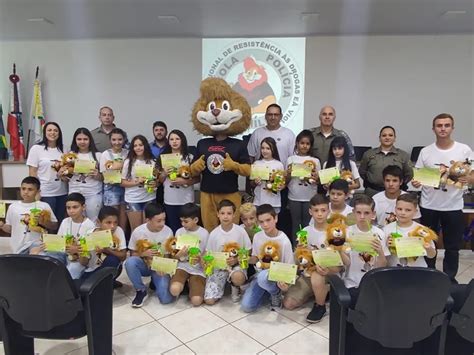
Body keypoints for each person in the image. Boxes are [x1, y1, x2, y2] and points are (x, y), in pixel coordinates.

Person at [412, 113, 473, 281]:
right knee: (427, 243)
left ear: (452, 128)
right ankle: (428, 274)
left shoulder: (464, 150)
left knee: (453, 246)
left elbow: (472, 175)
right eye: (439, 125)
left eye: (447, 125)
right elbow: (417, 177)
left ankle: (449, 277)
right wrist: (417, 182)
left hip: (453, 206)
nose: (443, 128)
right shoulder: (426, 151)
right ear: (433, 129)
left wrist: (468, 178)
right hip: (429, 205)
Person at [284, 194, 339, 323]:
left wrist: (329, 271)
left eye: (323, 210)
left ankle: (320, 306)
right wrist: (299, 251)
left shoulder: (335, 232)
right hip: (308, 273)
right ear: (310, 211)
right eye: (316, 210)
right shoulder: (305, 231)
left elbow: (339, 265)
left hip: (329, 272)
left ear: (328, 211)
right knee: (288, 304)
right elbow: (298, 261)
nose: (319, 214)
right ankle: (319, 291)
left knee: (317, 274)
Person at [240, 204, 294, 312]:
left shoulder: (284, 241)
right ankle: (266, 290)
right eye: (261, 222)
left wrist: (286, 285)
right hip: (260, 273)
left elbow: (290, 266)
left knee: (262, 278)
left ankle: (275, 293)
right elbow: (256, 258)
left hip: (277, 276)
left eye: (268, 220)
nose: (265, 224)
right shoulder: (257, 236)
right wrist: (246, 259)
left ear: (276, 218)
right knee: (247, 307)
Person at [341, 195, 389, 305]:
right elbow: (346, 263)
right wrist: (340, 250)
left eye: (366, 213)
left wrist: (380, 251)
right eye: (358, 213)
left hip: (373, 283)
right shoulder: (347, 233)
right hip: (352, 283)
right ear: (353, 212)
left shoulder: (380, 234)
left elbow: (382, 265)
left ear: (373, 214)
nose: (362, 217)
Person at [125, 203, 174, 307]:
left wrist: (162, 268)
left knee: (166, 299)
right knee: (130, 263)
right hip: (144, 264)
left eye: (164, 219)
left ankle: (155, 281)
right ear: (148, 220)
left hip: (159, 267)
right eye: (158, 221)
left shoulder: (168, 231)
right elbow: (132, 254)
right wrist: (143, 254)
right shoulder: (138, 232)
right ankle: (140, 290)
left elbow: (168, 256)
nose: (162, 223)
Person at [204, 200, 251, 304]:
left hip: (236, 265)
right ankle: (220, 287)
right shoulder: (214, 234)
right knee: (209, 301)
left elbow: (247, 252)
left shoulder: (240, 231)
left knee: (238, 277)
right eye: (222, 213)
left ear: (234, 215)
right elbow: (208, 255)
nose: (225, 216)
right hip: (219, 267)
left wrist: (236, 260)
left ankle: (236, 286)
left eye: (229, 213)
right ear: (218, 214)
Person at [0, 177, 59, 258]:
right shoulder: (13, 207)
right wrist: (2, 225)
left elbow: (55, 226)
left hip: (38, 246)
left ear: (38, 191)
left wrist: (43, 222)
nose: (26, 192)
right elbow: (10, 229)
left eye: (30, 189)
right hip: (18, 247)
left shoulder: (43, 206)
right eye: (23, 189)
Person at [158, 130, 199, 233]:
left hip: (186, 199)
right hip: (170, 199)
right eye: (171, 139)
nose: (174, 142)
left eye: (177, 139)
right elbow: (159, 181)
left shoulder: (190, 157)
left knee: (188, 228)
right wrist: (164, 174)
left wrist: (184, 181)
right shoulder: (163, 157)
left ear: (182, 140)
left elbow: (198, 178)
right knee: (173, 228)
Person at [27, 122, 68, 224]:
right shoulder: (36, 148)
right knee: (46, 223)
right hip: (45, 192)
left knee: (58, 223)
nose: (52, 133)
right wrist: (36, 192)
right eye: (49, 130)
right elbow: (32, 172)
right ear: (44, 133)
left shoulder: (64, 149)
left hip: (62, 192)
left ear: (59, 133)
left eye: (55, 130)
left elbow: (68, 170)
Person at [169, 203, 209, 306]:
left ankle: (192, 285)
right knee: (174, 290)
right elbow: (174, 256)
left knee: (196, 301)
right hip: (182, 265)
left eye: (186, 221)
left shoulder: (204, 233)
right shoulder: (179, 232)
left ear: (195, 220)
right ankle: (184, 284)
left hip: (198, 269)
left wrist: (200, 259)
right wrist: (179, 254)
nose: (183, 224)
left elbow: (207, 256)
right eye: (181, 221)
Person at [359, 126, 413, 197]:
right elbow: (362, 172)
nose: (387, 137)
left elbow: (409, 174)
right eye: (384, 135)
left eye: (390, 135)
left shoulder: (403, 155)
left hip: (395, 193)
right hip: (373, 192)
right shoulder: (369, 154)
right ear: (379, 138)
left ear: (394, 138)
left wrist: (397, 184)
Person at [384, 194, 436, 268]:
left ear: (415, 211)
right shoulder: (387, 229)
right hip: (394, 270)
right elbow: (382, 255)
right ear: (395, 209)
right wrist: (386, 246)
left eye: (408, 210)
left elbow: (432, 255)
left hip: (418, 270)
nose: (403, 213)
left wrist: (428, 248)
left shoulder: (421, 230)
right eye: (399, 209)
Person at [286, 130, 320, 242]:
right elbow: (285, 180)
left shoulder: (315, 161)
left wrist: (315, 178)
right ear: (297, 143)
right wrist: (289, 174)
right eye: (302, 143)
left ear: (311, 145)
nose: (304, 146)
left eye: (307, 143)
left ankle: (307, 249)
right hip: (294, 196)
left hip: (310, 197)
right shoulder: (291, 159)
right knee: (295, 224)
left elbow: (319, 180)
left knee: (307, 224)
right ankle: (296, 249)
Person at [81, 206, 127, 288]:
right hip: (92, 270)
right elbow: (84, 263)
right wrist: (81, 252)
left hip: (112, 267)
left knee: (113, 259)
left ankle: (106, 282)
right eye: (108, 222)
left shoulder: (118, 231)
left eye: (115, 222)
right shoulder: (89, 234)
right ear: (99, 222)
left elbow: (123, 256)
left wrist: (107, 250)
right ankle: (106, 283)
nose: (112, 226)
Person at [121, 135, 157, 231]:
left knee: (148, 229)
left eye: (140, 145)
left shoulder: (153, 161)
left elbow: (157, 181)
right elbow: (122, 182)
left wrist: (155, 184)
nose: (138, 148)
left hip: (149, 197)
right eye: (135, 145)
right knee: (136, 230)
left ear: (145, 146)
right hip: (133, 199)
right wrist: (137, 182)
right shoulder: (128, 162)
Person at [67, 128, 103, 222]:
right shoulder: (70, 155)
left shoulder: (98, 155)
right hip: (75, 193)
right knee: (76, 220)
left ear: (90, 140)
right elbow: (66, 177)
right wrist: (63, 173)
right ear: (75, 140)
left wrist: (97, 175)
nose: (82, 142)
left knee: (93, 221)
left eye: (85, 139)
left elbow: (105, 178)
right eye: (79, 139)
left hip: (93, 193)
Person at [58, 193, 97, 279]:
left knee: (72, 269)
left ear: (83, 207)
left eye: (75, 207)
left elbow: (88, 256)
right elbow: (59, 243)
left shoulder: (90, 226)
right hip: (66, 256)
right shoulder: (65, 221)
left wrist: (76, 250)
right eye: (68, 208)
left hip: (82, 261)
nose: (71, 211)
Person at [99, 128, 128, 232]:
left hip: (126, 187)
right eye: (114, 139)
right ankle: (112, 239)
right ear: (110, 140)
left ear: (124, 139)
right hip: (111, 188)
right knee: (111, 216)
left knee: (123, 215)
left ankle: (122, 238)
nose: (117, 142)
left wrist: (115, 167)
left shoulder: (127, 153)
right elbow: (104, 174)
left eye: (120, 139)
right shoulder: (105, 154)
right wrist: (119, 166)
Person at [251, 137, 285, 213]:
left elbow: (282, 183)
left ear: (273, 149)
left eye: (268, 148)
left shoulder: (279, 165)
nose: (265, 151)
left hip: (274, 202)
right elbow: (251, 183)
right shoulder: (256, 163)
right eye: (262, 148)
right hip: (259, 201)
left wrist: (281, 186)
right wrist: (255, 182)